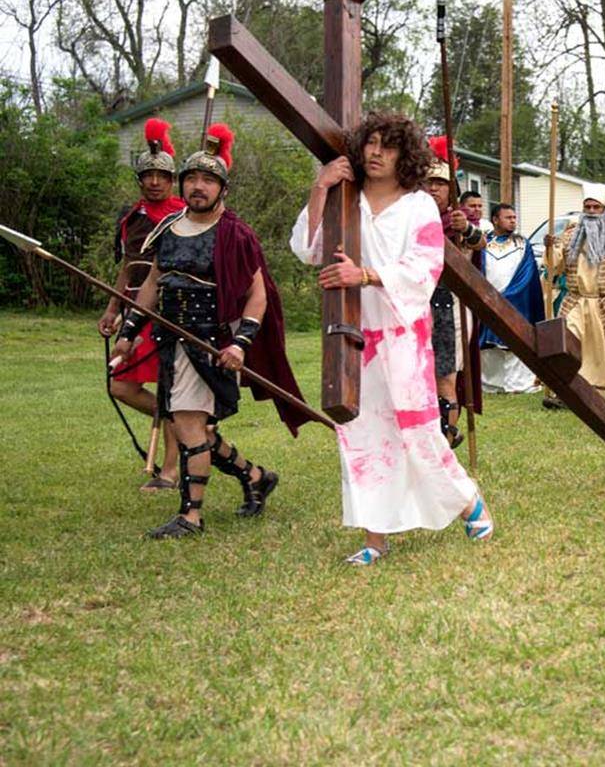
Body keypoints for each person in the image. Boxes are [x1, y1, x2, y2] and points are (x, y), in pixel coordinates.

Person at [290, 112, 493, 564]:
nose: (376, 153)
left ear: (406, 154)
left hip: (402, 337)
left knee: (418, 431)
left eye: (389, 145)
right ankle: (374, 539)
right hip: (352, 335)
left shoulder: (418, 206)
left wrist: (362, 274)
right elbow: (307, 249)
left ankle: (467, 501)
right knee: (362, 434)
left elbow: (424, 267)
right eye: (371, 143)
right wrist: (320, 187)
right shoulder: (346, 199)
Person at [113, 123, 308, 538]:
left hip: (211, 341)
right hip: (171, 341)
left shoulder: (234, 234)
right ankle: (255, 476)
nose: (198, 186)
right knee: (197, 428)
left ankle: (191, 516)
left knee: (186, 425)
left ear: (223, 188)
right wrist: (130, 333)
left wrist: (240, 344)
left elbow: (258, 296)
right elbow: (151, 286)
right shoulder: (167, 229)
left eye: (208, 179)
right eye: (192, 179)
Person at [98, 117, 184, 490]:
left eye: (161, 176)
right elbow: (128, 267)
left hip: (170, 310)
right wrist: (113, 309)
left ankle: (169, 470)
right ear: (140, 180)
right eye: (147, 175)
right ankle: (184, 424)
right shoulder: (130, 218)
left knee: (170, 387)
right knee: (120, 386)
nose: (154, 181)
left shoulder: (184, 214)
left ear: (171, 180)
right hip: (134, 311)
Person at [547, 183, 605, 406]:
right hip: (575, 301)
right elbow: (554, 267)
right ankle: (565, 392)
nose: (590, 212)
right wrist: (549, 248)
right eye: (587, 207)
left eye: (595, 207)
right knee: (567, 342)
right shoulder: (569, 237)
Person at [423, 139, 486, 447]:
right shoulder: (412, 217)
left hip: (449, 304)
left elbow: (479, 243)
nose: (433, 189)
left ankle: (445, 438)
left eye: (439, 183)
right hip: (416, 305)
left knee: (445, 376)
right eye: (428, 183)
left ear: (451, 188)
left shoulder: (461, 220)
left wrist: (466, 229)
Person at [479, 203, 544, 393]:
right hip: (487, 300)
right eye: (508, 217)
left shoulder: (522, 244)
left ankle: (518, 383)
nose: (513, 221)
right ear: (495, 220)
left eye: (514, 217)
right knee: (490, 345)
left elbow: (528, 274)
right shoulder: (483, 243)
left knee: (515, 342)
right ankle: (492, 383)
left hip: (516, 301)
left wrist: (508, 296)